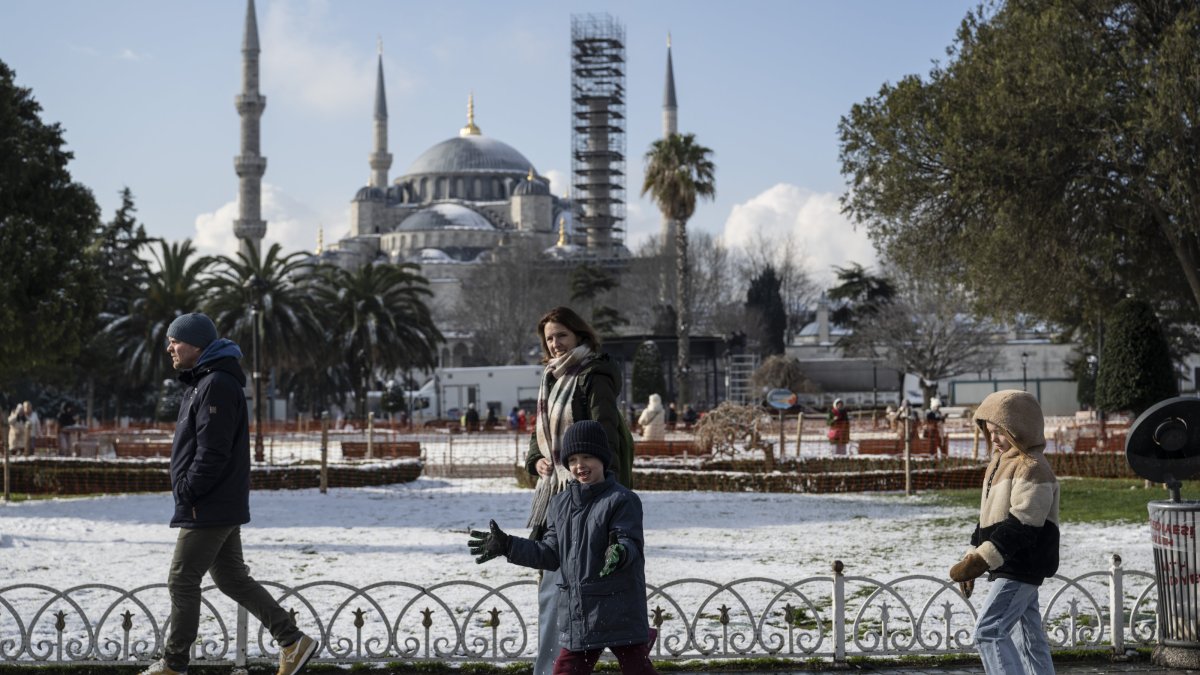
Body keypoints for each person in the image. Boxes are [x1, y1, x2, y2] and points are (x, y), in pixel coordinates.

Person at [138, 312, 318, 675]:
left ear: (197, 345)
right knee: (231, 577)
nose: (169, 347)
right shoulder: (205, 381)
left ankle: (173, 664)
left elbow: (213, 451)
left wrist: (189, 491)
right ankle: (292, 641)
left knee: (182, 579)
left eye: (175, 341)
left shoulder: (216, 383)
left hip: (209, 504)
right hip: (217, 502)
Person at [470, 420, 658, 675]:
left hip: (619, 608)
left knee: (637, 669)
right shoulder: (560, 504)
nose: (579, 465)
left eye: (587, 456)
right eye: (573, 459)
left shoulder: (621, 500)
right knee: (566, 670)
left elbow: (629, 542)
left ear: (603, 458)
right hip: (580, 613)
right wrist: (509, 546)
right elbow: (549, 553)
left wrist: (619, 553)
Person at [520, 306, 628, 675]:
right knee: (557, 584)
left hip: (584, 493)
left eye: (561, 336)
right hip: (554, 493)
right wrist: (537, 461)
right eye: (549, 338)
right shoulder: (550, 379)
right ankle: (558, 665)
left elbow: (606, 434)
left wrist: (600, 493)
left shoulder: (592, 375)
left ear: (580, 335)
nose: (554, 344)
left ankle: (556, 667)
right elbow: (542, 438)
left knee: (572, 588)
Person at [949, 390, 1059, 675]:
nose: (994, 438)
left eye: (1000, 431)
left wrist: (981, 560)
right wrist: (972, 555)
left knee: (989, 631)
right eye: (990, 432)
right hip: (1008, 562)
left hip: (1021, 563)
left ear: (1021, 428)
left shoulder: (1032, 467)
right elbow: (988, 518)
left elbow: (1023, 524)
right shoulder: (1000, 463)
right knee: (1029, 640)